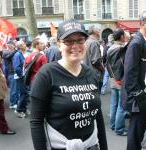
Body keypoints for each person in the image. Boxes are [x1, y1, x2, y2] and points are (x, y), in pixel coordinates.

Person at [30, 19, 107, 150]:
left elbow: (98, 117)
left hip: (92, 146)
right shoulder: (47, 74)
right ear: (59, 45)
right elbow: (36, 122)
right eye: (69, 41)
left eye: (80, 40)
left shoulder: (90, 73)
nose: (75, 45)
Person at [121, 9, 146, 150]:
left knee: (143, 131)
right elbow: (130, 73)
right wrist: (139, 96)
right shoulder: (136, 43)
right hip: (139, 98)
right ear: (143, 24)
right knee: (136, 133)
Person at [108, 29, 127, 136]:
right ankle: (119, 129)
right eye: (124, 35)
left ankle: (113, 125)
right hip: (120, 79)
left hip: (113, 79)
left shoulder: (111, 47)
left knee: (114, 103)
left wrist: (113, 77)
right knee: (121, 105)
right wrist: (120, 79)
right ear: (121, 37)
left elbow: (107, 64)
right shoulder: (121, 48)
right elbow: (122, 65)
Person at [82, 25, 105, 91]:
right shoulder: (94, 43)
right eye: (99, 30)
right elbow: (95, 61)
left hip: (87, 74)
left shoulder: (86, 42)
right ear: (96, 32)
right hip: (94, 75)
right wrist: (103, 69)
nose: (100, 32)